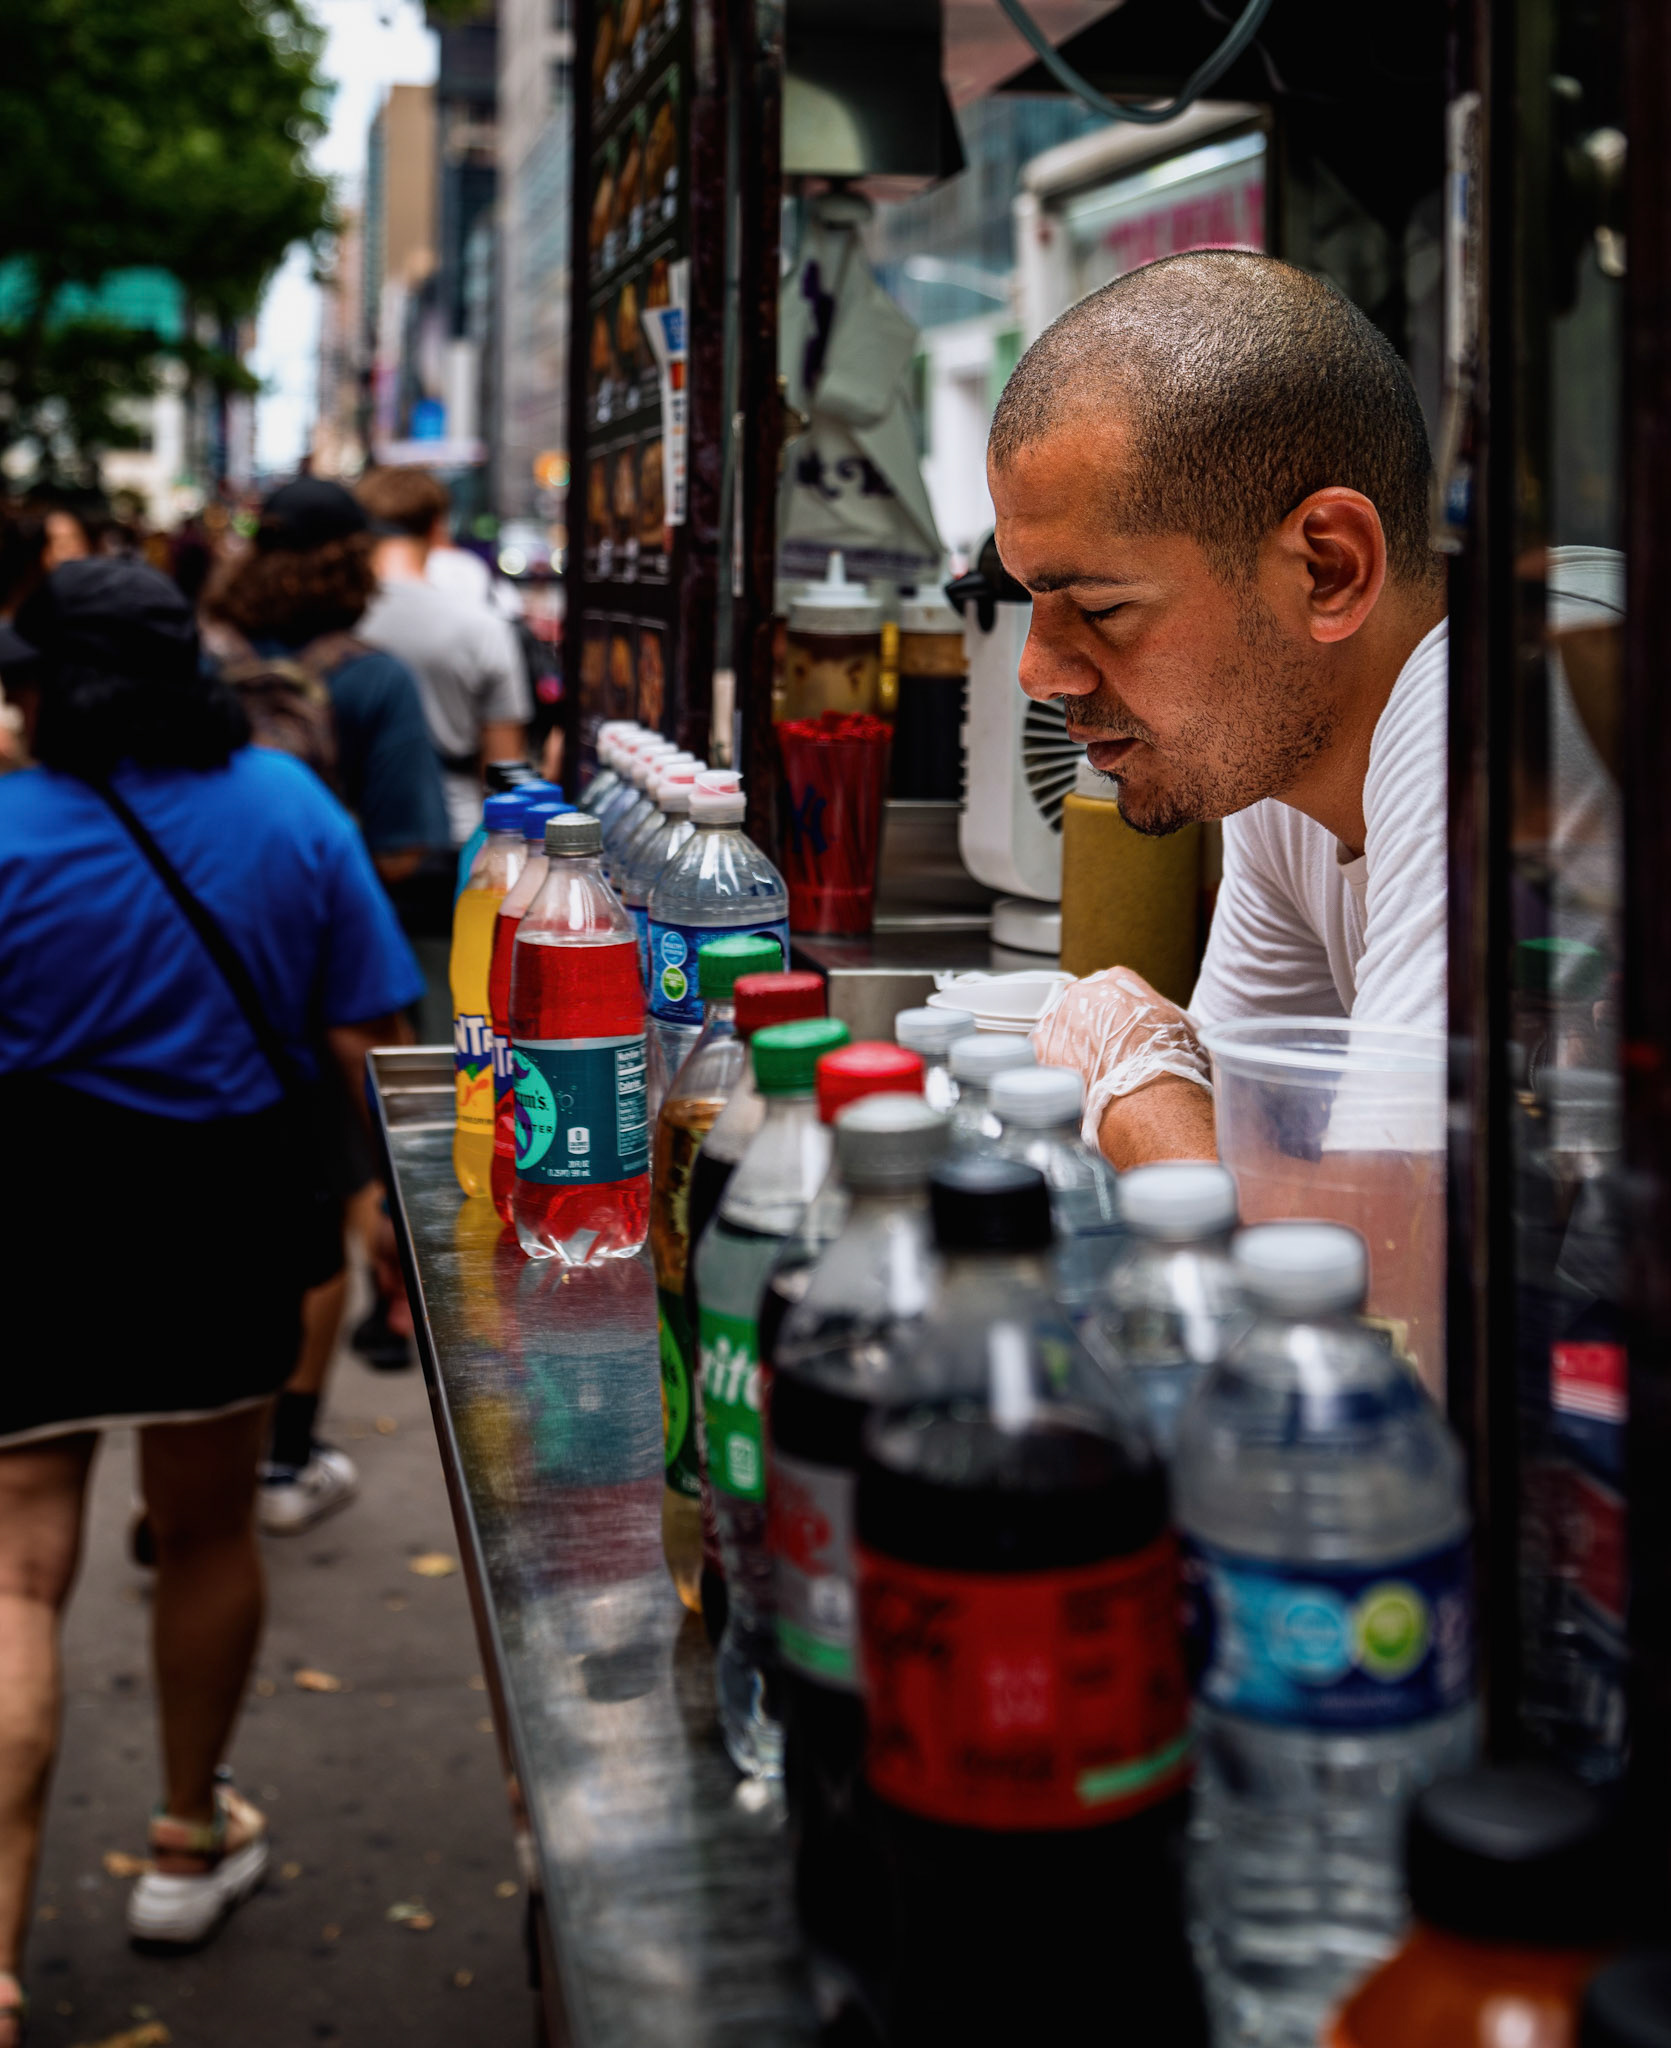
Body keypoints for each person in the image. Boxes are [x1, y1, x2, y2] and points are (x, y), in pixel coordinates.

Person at [0, 560, 423, 2025]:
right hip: (221, 1224)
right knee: (204, 1531)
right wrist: (386, 1218)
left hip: (24, 1226)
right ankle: (185, 1841)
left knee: (16, 1574)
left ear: (41, 690)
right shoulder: (288, 811)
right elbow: (365, 1036)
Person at [987, 252, 1449, 1168]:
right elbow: (1255, 1149)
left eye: (1104, 609)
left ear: (1329, 569)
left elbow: (1375, 1272)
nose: (1038, 674)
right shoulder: (1283, 769)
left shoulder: (1488, 724)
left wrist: (1135, 1081)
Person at [200, 478, 450, 888]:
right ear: (357, 564)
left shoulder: (201, 661)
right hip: (318, 922)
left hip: (204, 906)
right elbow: (400, 852)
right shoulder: (377, 678)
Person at [353, 466, 532, 849]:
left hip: (355, 827)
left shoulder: (336, 621)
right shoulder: (482, 626)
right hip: (454, 830)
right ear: (437, 527)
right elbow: (502, 766)